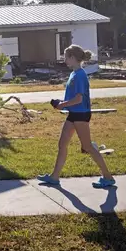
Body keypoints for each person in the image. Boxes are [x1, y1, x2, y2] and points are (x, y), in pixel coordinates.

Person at [37, 45, 116, 188]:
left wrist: (63, 105)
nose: (64, 60)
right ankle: (54, 177)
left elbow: (79, 99)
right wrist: (63, 103)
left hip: (81, 114)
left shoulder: (80, 75)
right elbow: (74, 97)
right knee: (62, 144)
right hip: (74, 113)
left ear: (73, 58)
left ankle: (108, 177)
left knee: (87, 146)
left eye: (66, 57)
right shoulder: (74, 73)